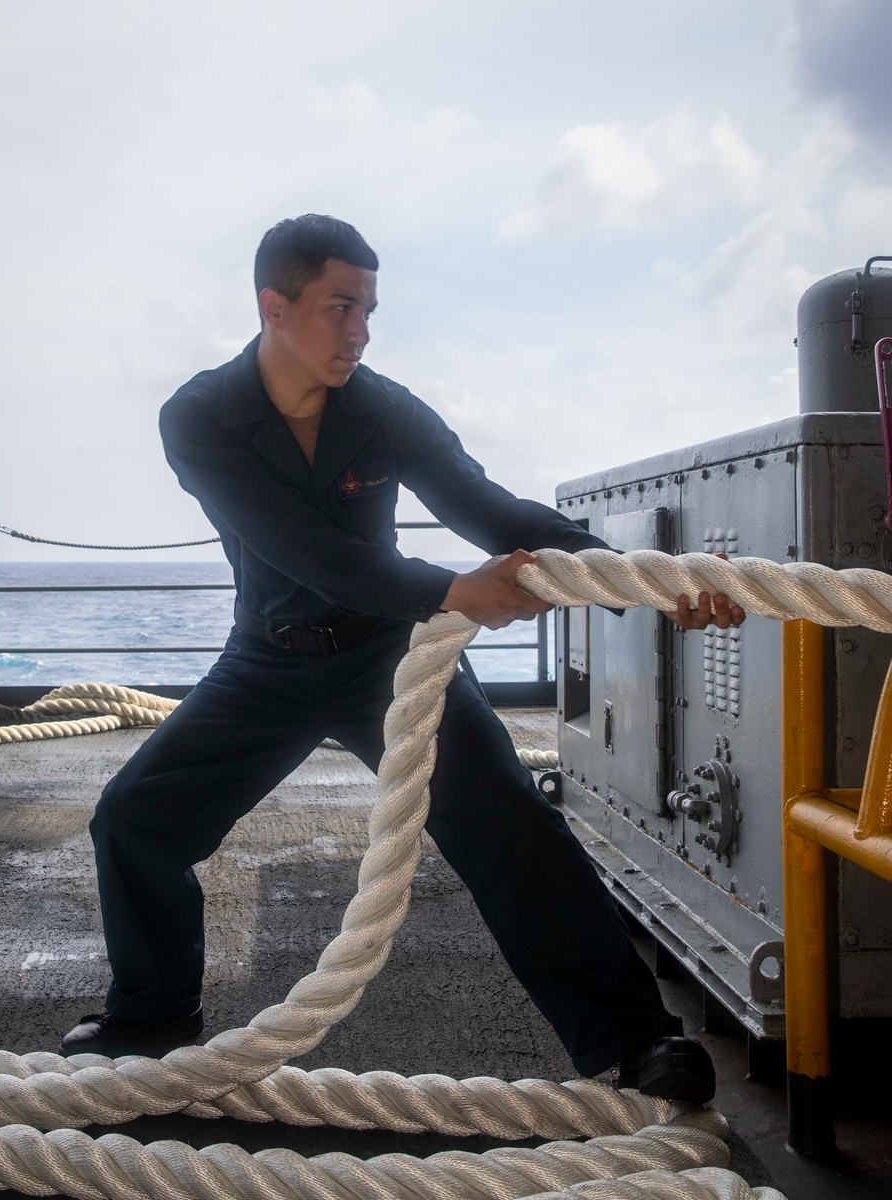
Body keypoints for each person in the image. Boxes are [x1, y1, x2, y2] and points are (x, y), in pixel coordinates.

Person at [61, 215, 745, 1102]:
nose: (360, 332)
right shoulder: (200, 417)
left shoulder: (381, 408)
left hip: (389, 659)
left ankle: (636, 1037)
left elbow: (497, 515)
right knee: (135, 821)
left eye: (370, 311)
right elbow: (308, 550)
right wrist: (456, 590)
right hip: (268, 662)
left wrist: (654, 582)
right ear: (275, 306)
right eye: (341, 308)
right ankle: (152, 1012)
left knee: (510, 827)